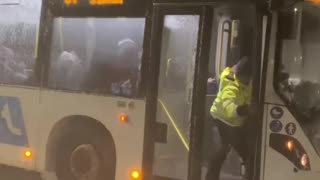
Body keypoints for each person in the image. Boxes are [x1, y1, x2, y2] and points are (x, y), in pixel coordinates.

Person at [206, 56, 252, 180]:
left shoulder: (249, 83)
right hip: (221, 122)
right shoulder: (230, 81)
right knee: (219, 153)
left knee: (249, 156)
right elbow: (227, 106)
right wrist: (243, 110)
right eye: (240, 75)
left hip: (236, 125)